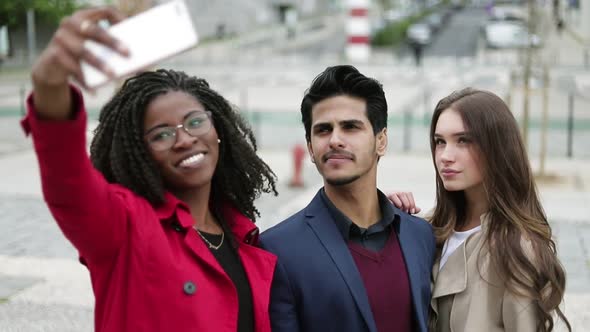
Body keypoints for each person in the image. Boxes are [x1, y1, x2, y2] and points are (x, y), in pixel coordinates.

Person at [22, 7, 278, 332]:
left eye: (195, 122)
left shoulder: (244, 237)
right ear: (139, 154)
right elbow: (67, 181)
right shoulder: (124, 227)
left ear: (219, 132)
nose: (184, 139)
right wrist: (49, 86)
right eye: (161, 134)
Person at [260, 65, 436, 332]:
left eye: (350, 127)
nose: (335, 140)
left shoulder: (420, 235)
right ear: (309, 147)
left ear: (381, 141)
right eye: (322, 130)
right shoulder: (278, 250)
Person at [390, 88, 571, 332]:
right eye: (439, 142)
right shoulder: (431, 230)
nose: (445, 156)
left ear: (497, 148)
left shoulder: (516, 249)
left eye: (463, 140)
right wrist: (389, 224)